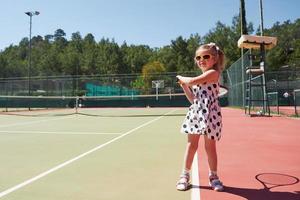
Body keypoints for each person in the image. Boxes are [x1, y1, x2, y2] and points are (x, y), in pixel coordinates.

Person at [175, 42, 225, 192]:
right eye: (198, 57)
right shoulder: (200, 78)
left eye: (206, 56)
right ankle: (184, 175)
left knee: (210, 148)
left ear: (215, 59)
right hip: (196, 113)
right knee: (191, 146)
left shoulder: (213, 73)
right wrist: (184, 86)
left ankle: (214, 176)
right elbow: (193, 99)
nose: (201, 59)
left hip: (211, 115)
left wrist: (183, 79)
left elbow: (191, 81)